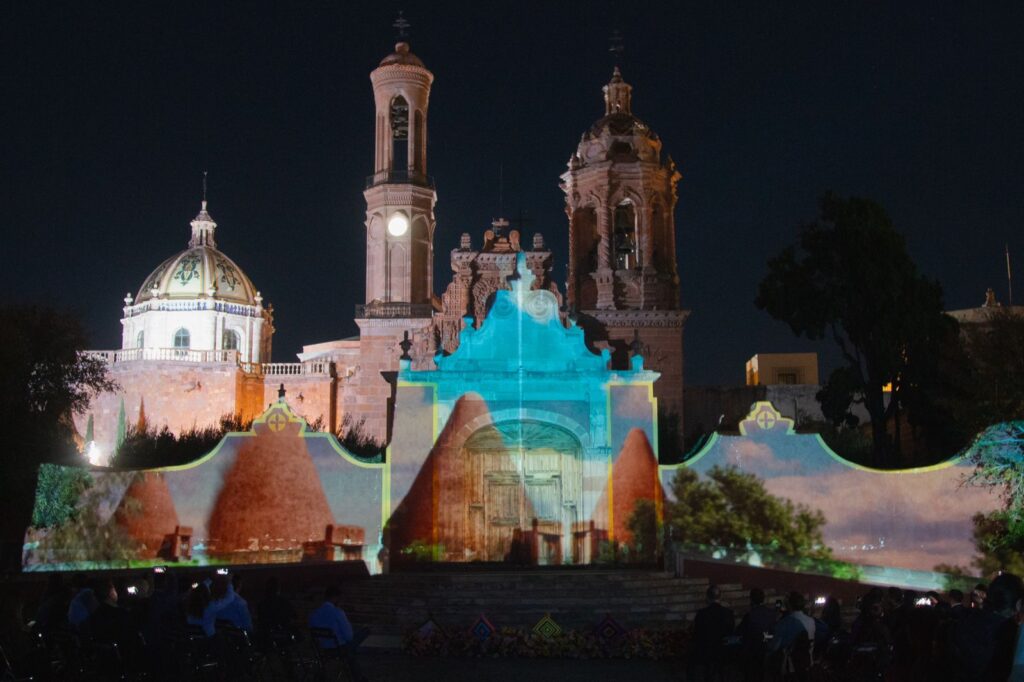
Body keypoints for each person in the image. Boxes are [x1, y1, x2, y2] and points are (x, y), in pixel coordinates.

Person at [309, 585, 368, 682]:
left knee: (351, 647)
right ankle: (358, 677)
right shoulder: (338, 612)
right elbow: (349, 637)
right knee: (364, 631)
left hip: (322, 647)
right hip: (338, 648)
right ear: (336, 598)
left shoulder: (314, 614)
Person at [690, 584, 736, 681]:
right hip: (723, 650)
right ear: (720, 597)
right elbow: (731, 632)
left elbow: (697, 633)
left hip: (706, 650)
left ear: (707, 597)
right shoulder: (728, 613)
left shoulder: (702, 614)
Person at [736, 587, 776, 681]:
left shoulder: (750, 615)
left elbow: (740, 632)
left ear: (751, 600)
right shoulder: (771, 614)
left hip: (751, 652)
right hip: (766, 649)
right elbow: (773, 633)